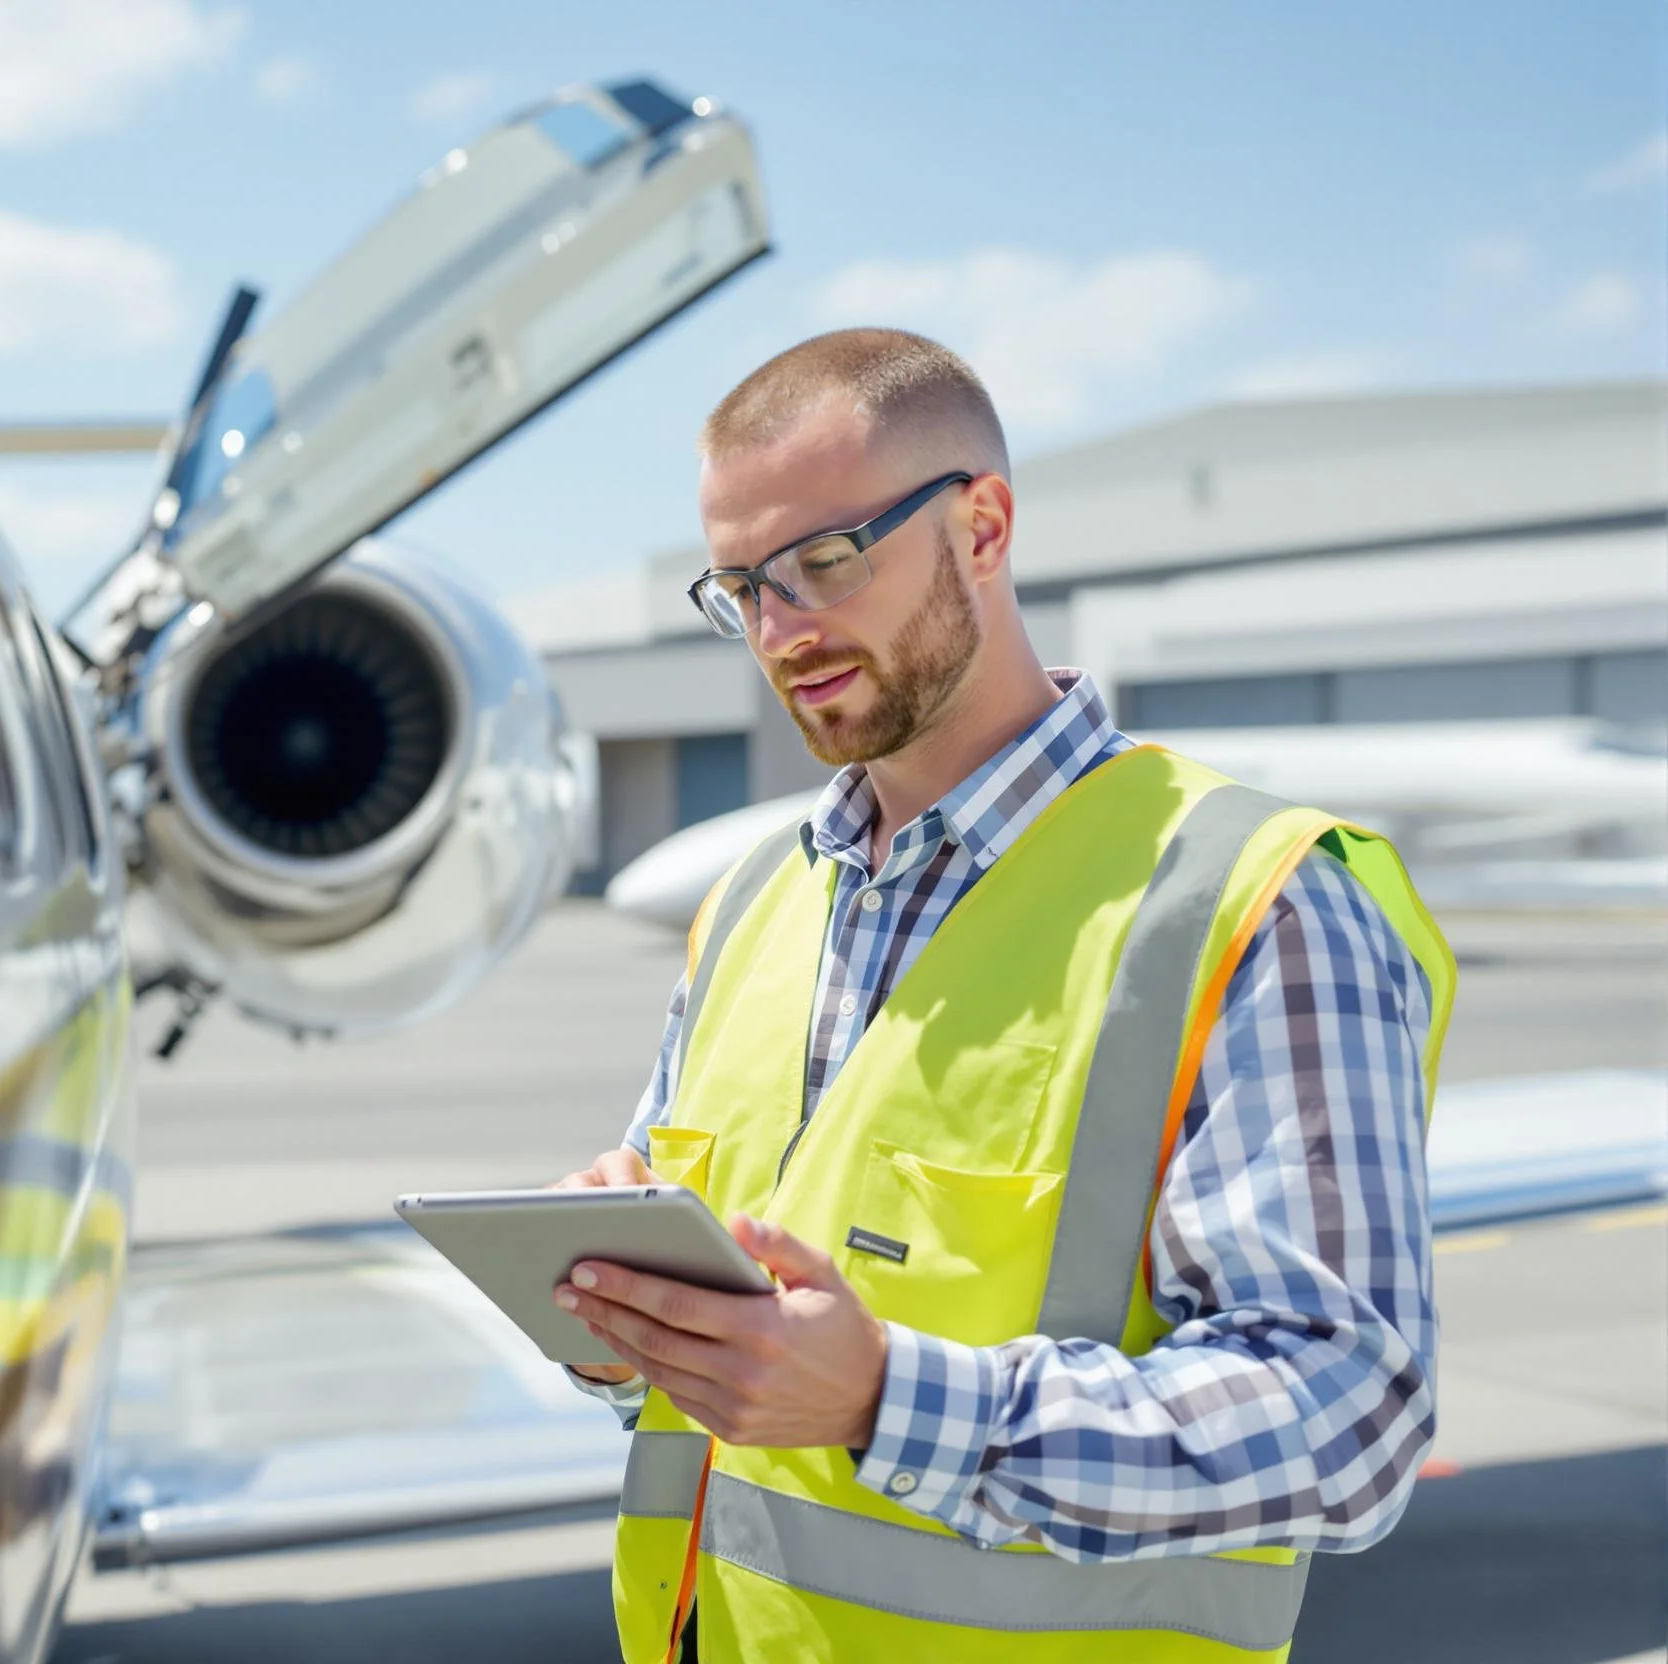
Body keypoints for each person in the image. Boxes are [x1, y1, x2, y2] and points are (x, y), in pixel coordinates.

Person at [550, 328, 1453, 1663]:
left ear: (983, 524)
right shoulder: (751, 900)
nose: (780, 628)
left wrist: (887, 1399)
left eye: (823, 560)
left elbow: (1346, 1417)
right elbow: (729, 1393)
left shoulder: (1248, 900)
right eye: (740, 586)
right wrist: (629, 1332)